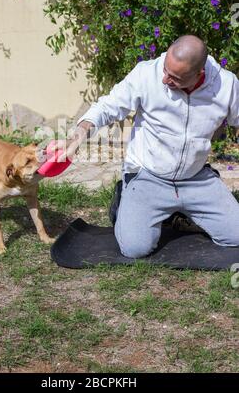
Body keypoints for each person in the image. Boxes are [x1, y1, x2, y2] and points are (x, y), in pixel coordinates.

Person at [47, 35, 239, 258]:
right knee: (135, 248)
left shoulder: (226, 85)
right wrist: (76, 138)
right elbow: (107, 107)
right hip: (149, 176)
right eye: (166, 70)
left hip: (195, 178)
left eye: (175, 77)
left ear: (199, 74)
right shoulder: (146, 74)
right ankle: (125, 200)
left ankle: (180, 213)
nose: (165, 79)